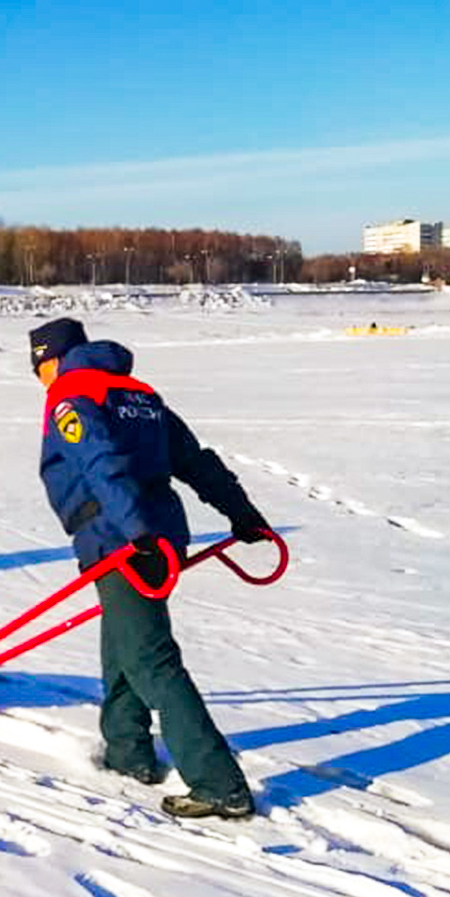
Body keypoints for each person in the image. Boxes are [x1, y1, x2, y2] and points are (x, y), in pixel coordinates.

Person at [28, 316, 272, 820]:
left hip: (123, 540)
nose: (40, 381)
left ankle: (218, 783)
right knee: (122, 643)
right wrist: (242, 512)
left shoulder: (72, 396)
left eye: (39, 369)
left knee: (151, 660)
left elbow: (102, 465)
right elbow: (197, 461)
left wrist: (135, 533)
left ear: (50, 360)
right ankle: (127, 751)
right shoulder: (140, 396)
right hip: (156, 538)